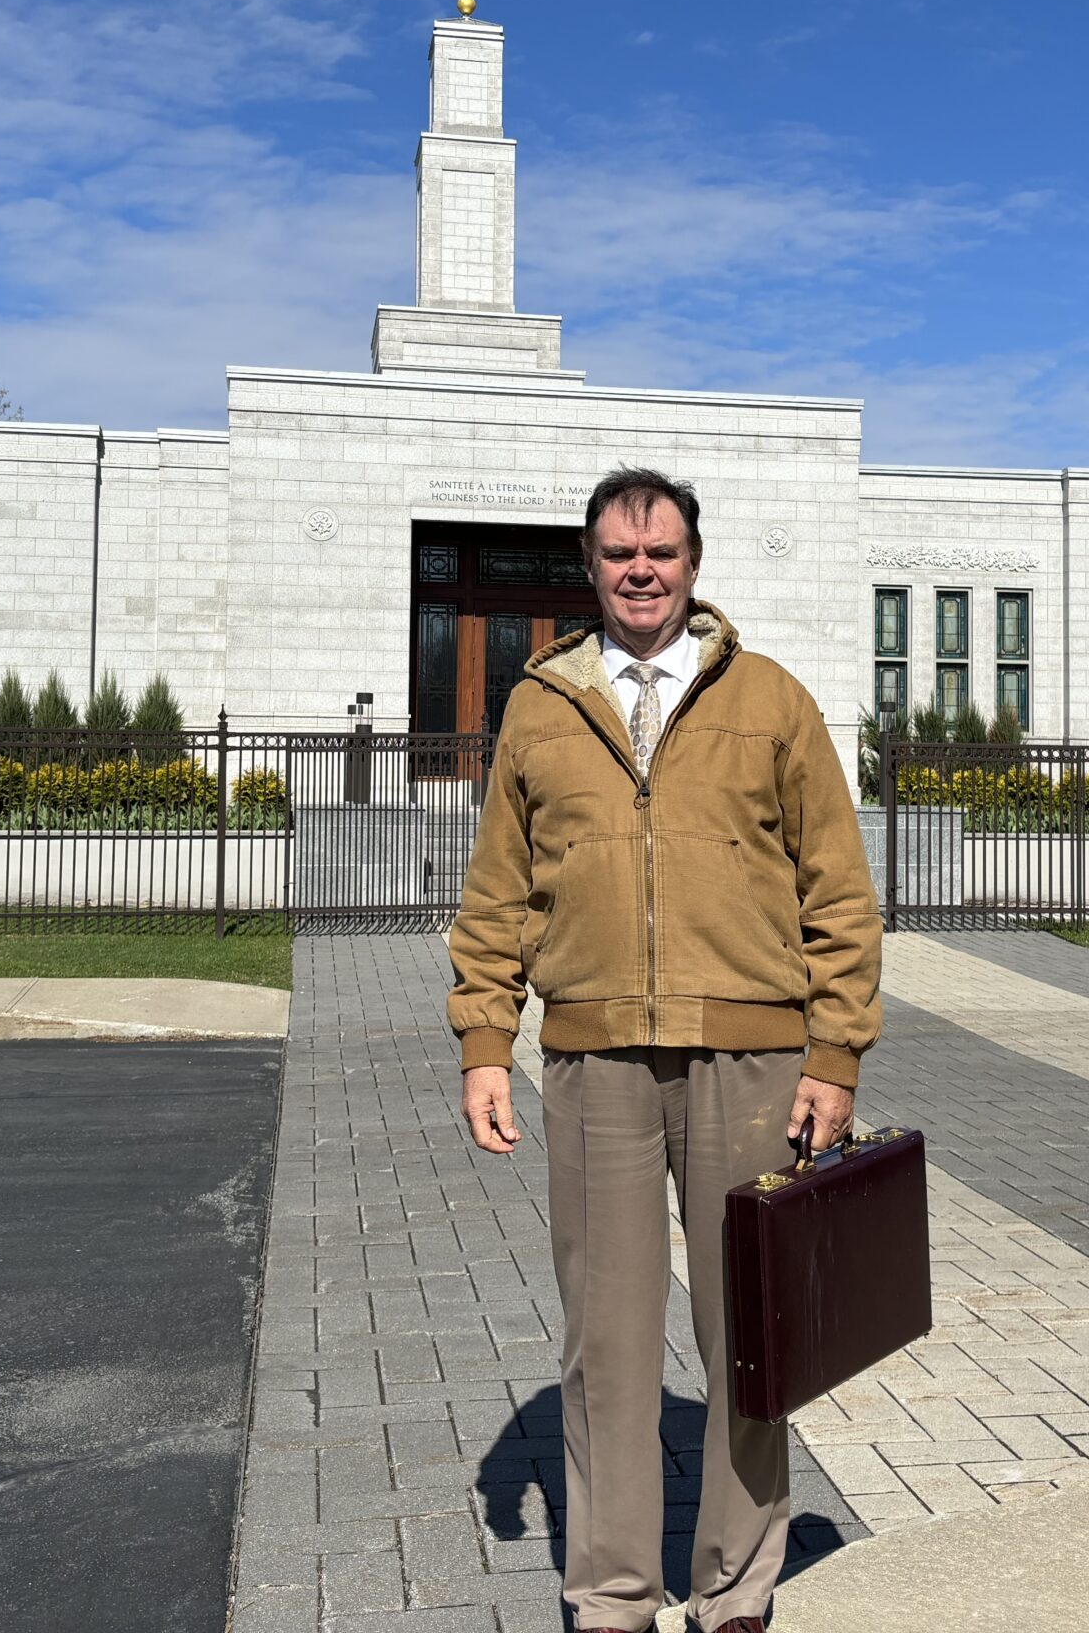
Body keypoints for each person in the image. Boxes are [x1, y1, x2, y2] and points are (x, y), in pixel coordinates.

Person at [450, 466, 883, 1633]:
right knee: (605, 1336)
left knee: (745, 1329)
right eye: (617, 554)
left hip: (750, 1061)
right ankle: (612, 1593)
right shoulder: (541, 704)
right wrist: (486, 1039)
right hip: (594, 1063)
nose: (640, 571)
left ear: (694, 565)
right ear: (588, 568)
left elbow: (839, 896)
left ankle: (735, 1587)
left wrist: (833, 1057)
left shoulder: (772, 701)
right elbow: (497, 898)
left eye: (662, 552)